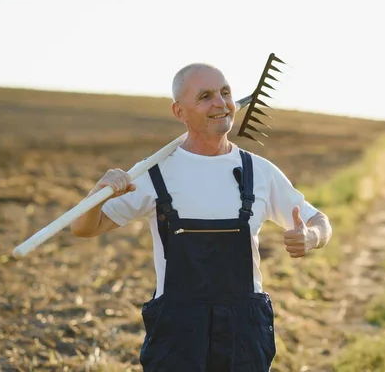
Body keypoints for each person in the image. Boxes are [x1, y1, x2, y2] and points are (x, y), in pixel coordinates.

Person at [70, 62, 332, 371]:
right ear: (179, 112)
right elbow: (84, 228)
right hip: (178, 332)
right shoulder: (153, 173)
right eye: (206, 96)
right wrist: (98, 194)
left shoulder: (258, 171)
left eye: (225, 92)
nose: (220, 103)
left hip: (243, 333)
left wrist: (311, 237)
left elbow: (320, 222)